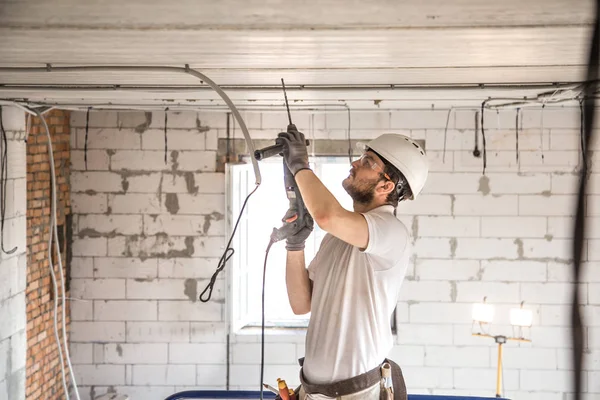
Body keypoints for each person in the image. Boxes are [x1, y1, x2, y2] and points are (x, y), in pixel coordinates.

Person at [277, 129, 429, 400]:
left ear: (386, 186)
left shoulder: (391, 232)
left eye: (368, 162)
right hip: (312, 394)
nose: (355, 163)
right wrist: (295, 246)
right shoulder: (336, 238)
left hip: (356, 395)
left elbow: (325, 215)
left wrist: (300, 165)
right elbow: (301, 304)